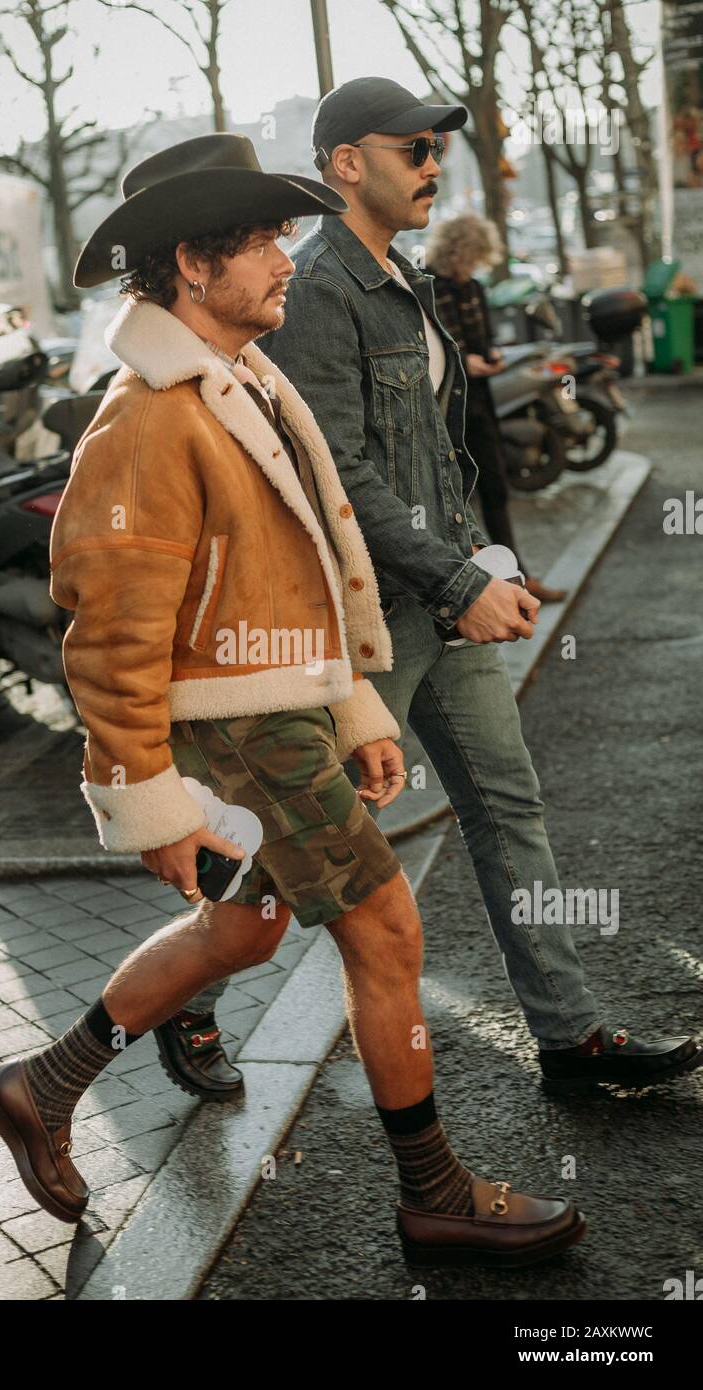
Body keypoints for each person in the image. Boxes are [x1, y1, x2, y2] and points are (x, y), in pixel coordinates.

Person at [0, 133, 585, 1269]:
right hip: (237, 727)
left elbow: (299, 571)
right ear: (189, 268)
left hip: (280, 710)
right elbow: (106, 629)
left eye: (276, 235)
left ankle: (40, 1083)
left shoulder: (239, 381)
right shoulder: (148, 416)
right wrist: (146, 798)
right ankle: (434, 1192)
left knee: (246, 928)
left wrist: (349, 703)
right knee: (387, 927)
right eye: (256, 241)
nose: (284, 257)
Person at [172, 79, 700, 1101]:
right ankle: (183, 998)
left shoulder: (399, 275)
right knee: (308, 834)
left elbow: (442, 454)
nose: (430, 165)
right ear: (343, 163)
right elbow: (339, 476)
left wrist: (483, 564)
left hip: (442, 603)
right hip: (372, 619)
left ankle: (568, 1037)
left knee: (508, 809)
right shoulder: (319, 287)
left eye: (432, 149)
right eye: (410, 148)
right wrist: (459, 578)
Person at [424, 211, 565, 603]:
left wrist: (492, 357)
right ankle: (473, 588)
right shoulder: (428, 287)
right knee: (453, 502)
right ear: (457, 252)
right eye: (469, 259)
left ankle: (516, 577)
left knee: (495, 490)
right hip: (446, 411)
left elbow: (481, 338)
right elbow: (435, 347)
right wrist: (465, 361)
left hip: (480, 404)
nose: (472, 268)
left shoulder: (474, 288)